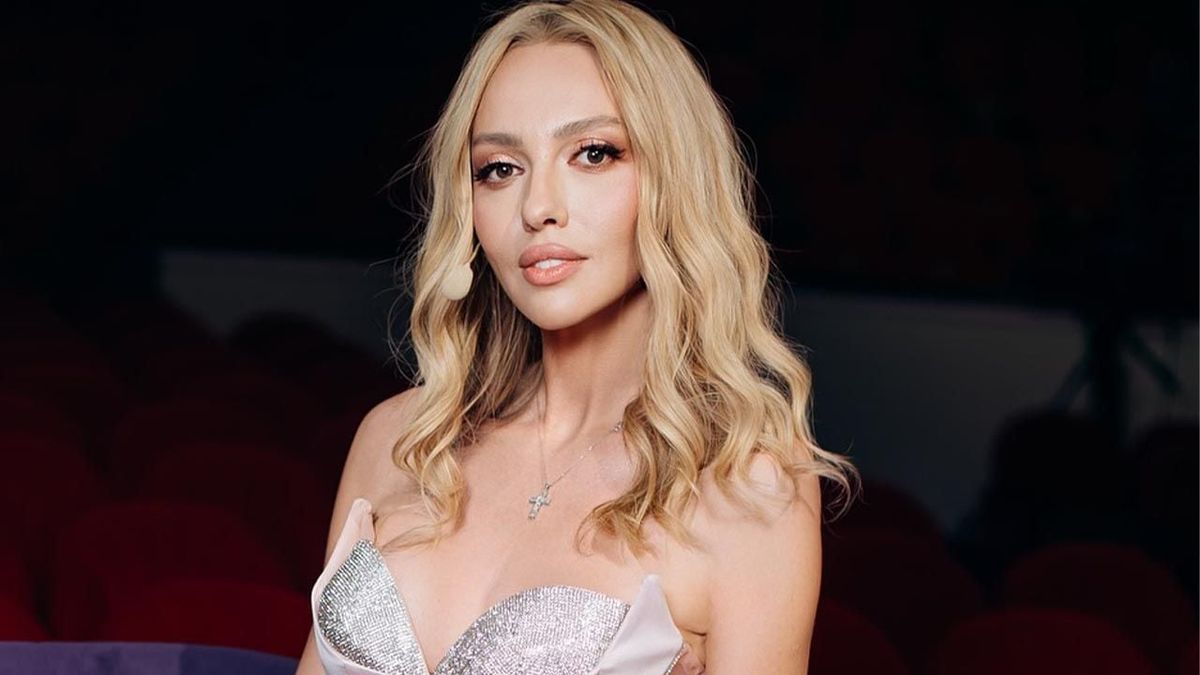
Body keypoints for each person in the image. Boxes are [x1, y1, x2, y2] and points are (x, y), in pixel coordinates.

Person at [295, 1, 858, 673]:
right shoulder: (399, 440)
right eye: (499, 168)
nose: (539, 208)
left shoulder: (744, 483)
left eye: (594, 154)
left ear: (675, 180)